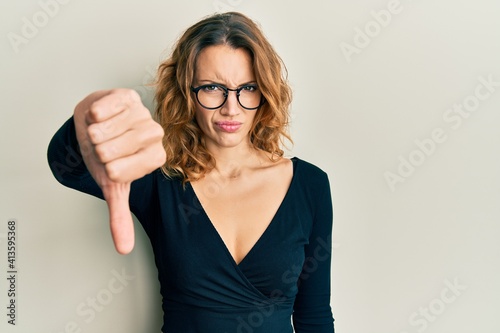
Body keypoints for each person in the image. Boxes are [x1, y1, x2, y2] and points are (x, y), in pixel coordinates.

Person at [47, 11, 334, 333]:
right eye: (212, 87)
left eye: (248, 87)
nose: (231, 107)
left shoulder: (309, 184)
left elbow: (314, 314)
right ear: (187, 92)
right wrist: (88, 113)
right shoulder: (158, 179)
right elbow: (67, 166)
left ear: (265, 92)